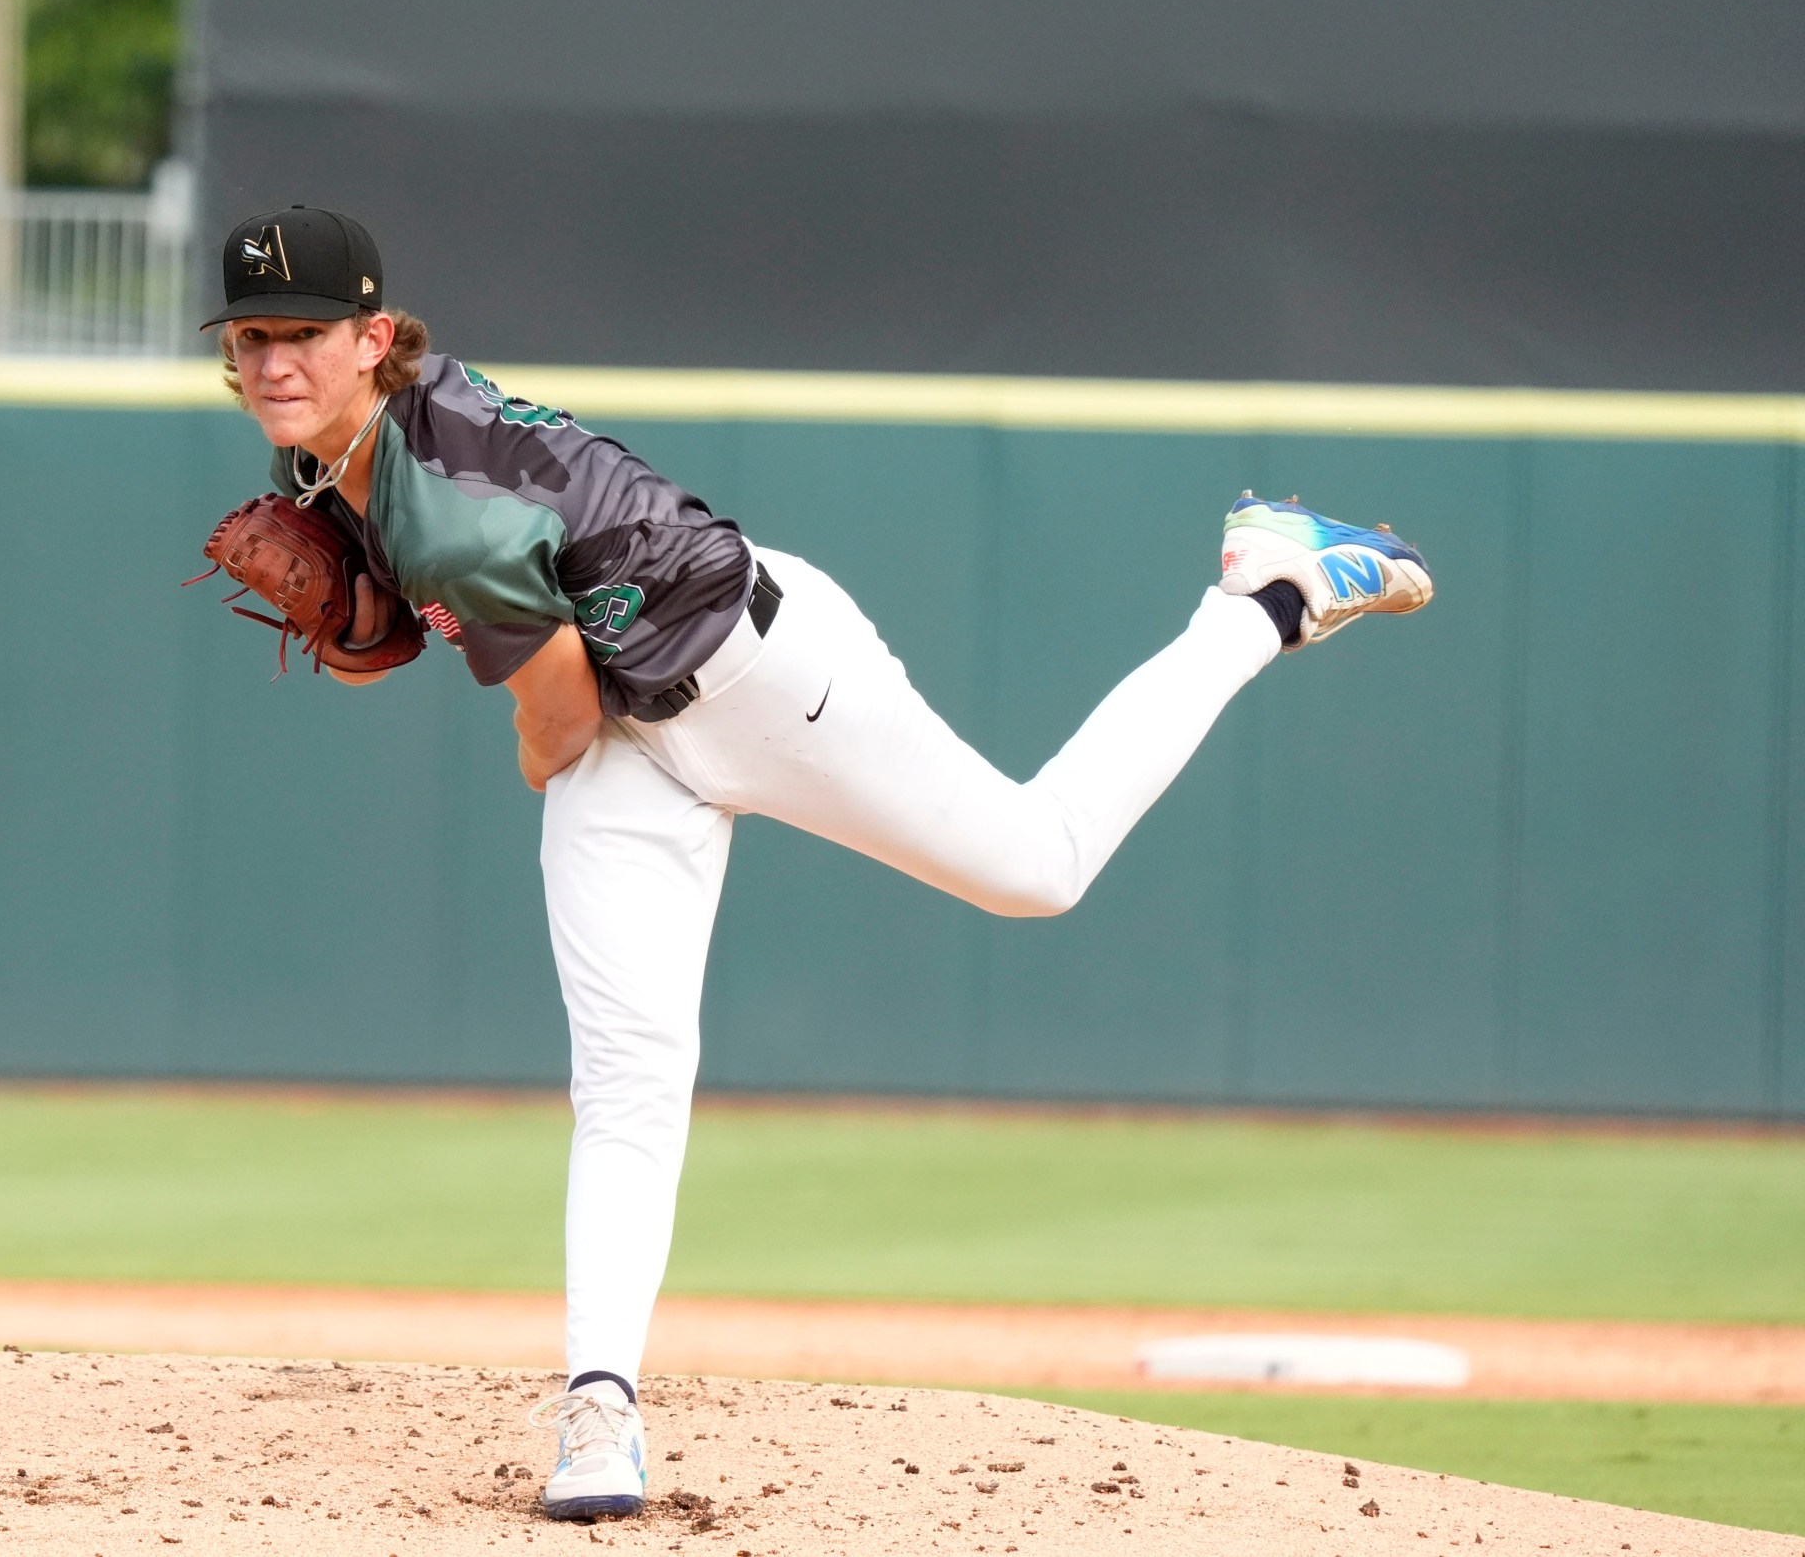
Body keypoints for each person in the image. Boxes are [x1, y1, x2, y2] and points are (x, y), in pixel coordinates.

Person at [201, 206, 1433, 1521]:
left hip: (763, 675)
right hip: (639, 729)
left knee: (1038, 863)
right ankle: (600, 1407)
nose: (276, 360)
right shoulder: (347, 460)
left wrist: (469, 671)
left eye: (307, 334)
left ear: (375, 338)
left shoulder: (438, 507)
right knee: (628, 1075)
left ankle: (1261, 599)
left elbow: (553, 718)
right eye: (253, 337)